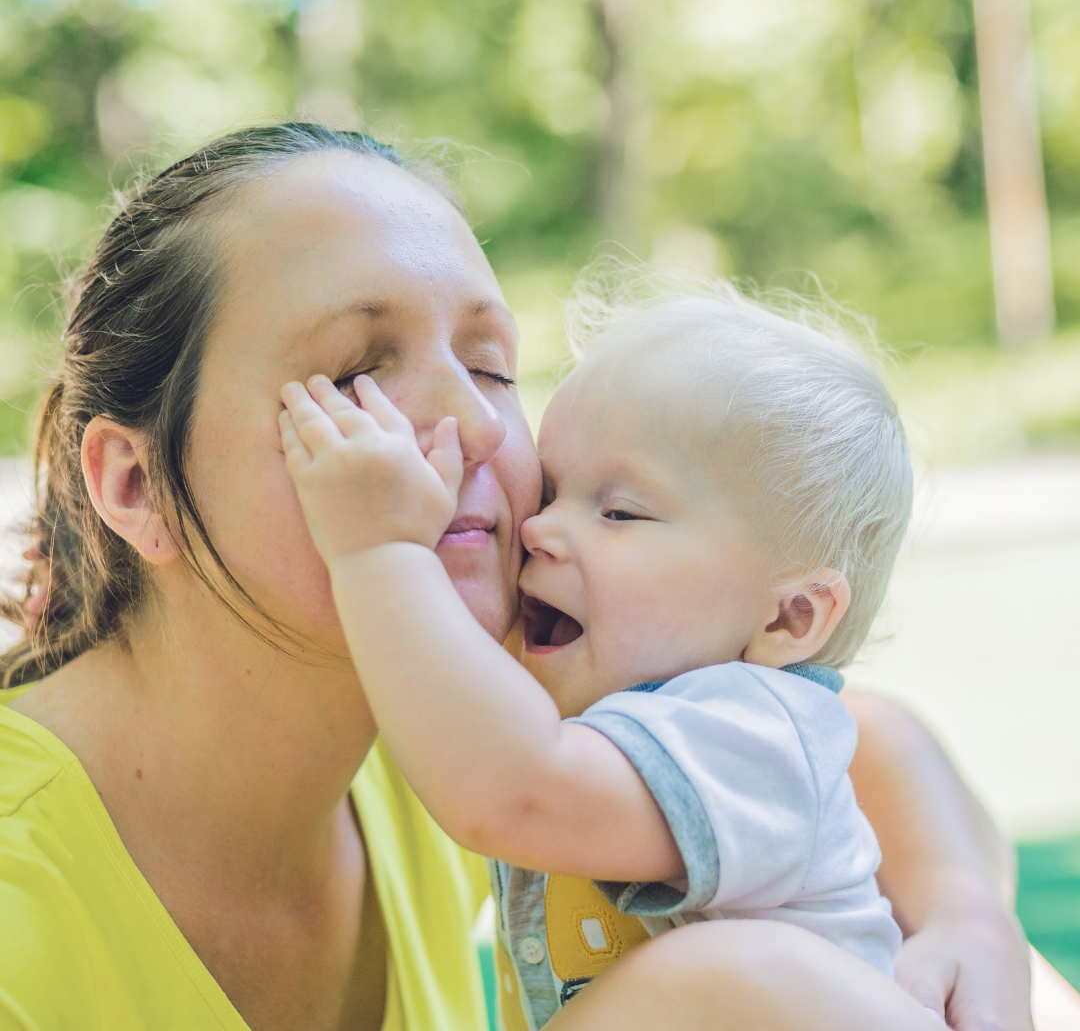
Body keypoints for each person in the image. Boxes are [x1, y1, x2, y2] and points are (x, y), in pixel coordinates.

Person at [0, 123, 1031, 1031]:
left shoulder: (439, 693)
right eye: (359, 372)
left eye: (492, 365)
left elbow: (857, 738)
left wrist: (964, 914)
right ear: (135, 483)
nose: (481, 423)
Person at [277, 287, 934, 1028]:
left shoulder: (754, 737)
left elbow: (516, 791)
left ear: (790, 615)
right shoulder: (586, 688)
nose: (540, 529)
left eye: (619, 512)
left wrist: (379, 549)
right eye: (551, 490)